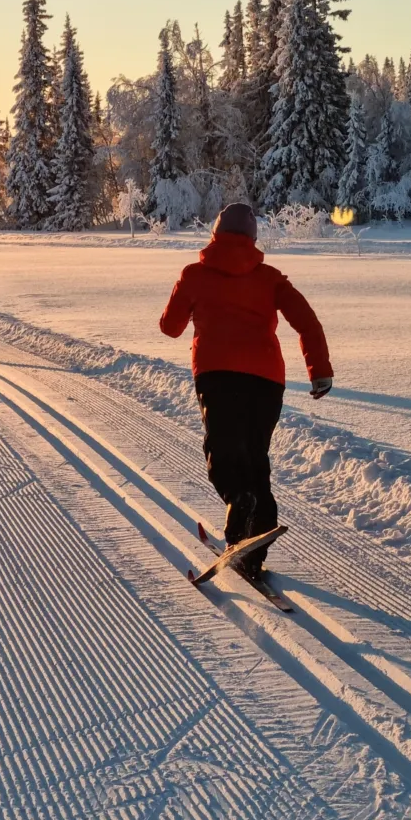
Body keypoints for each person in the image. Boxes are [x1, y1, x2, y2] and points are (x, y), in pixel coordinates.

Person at [158, 202, 334, 577]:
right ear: (253, 239)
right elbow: (308, 322)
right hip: (266, 379)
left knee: (223, 451)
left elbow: (170, 328)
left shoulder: (193, 274)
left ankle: (239, 503)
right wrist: (319, 370)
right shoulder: (270, 278)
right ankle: (254, 549)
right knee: (256, 458)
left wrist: (191, 304)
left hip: (216, 373)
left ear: (215, 236)